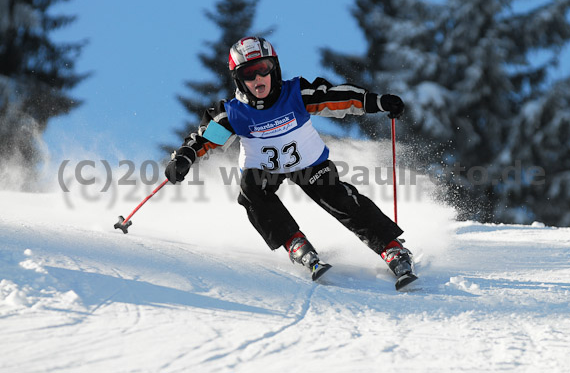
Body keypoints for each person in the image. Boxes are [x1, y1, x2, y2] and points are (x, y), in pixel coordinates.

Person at [165, 36, 416, 288]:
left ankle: (392, 248)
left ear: (274, 67)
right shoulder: (234, 113)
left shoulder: (296, 94)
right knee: (251, 193)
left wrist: (376, 102)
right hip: (264, 170)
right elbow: (205, 140)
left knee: (339, 198)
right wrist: (185, 158)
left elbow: (335, 97)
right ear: (238, 79)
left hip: (308, 163)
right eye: (248, 74)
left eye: (263, 69)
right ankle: (294, 242)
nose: (257, 79)